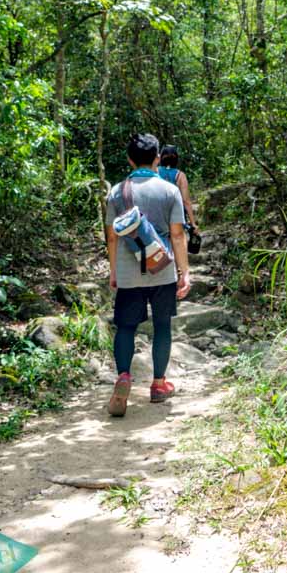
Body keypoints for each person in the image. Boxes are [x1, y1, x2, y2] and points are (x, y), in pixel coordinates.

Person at [104, 133, 191, 417]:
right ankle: (158, 385)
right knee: (163, 325)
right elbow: (178, 235)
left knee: (126, 327)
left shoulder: (117, 192)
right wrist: (184, 272)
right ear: (156, 158)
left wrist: (114, 271)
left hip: (129, 272)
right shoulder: (169, 191)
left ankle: (124, 377)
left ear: (129, 159)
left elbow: (112, 238)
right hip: (162, 268)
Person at [157, 145, 199, 235]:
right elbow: (186, 201)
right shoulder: (180, 175)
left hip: (157, 214)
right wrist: (193, 223)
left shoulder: (155, 171)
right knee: (178, 241)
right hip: (176, 215)